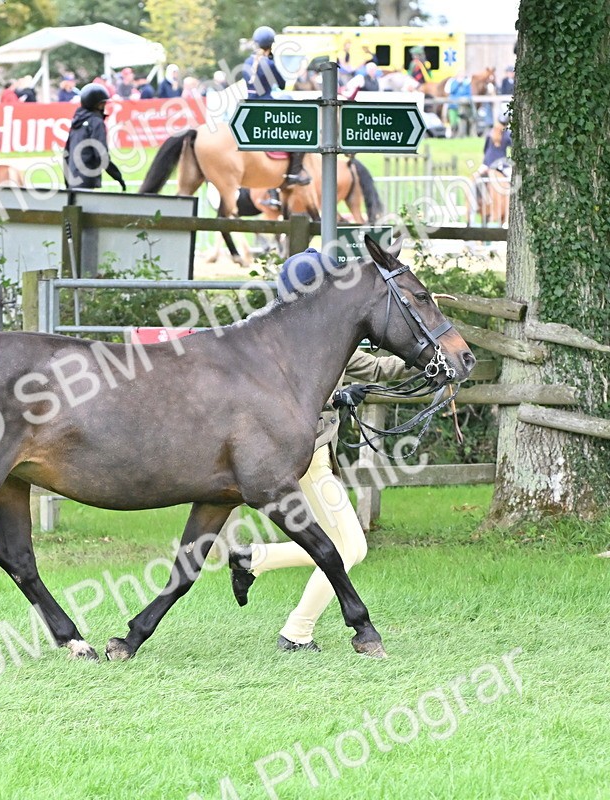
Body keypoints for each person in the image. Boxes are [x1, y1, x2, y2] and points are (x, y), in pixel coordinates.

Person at [226, 248, 412, 652]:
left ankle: (253, 559)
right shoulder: (286, 343)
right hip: (305, 459)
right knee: (349, 547)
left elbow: (376, 368)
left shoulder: (324, 336)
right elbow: (286, 400)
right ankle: (296, 632)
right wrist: (338, 394)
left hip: (317, 454)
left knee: (344, 546)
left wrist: (429, 357)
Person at [243, 26, 309, 187]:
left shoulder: (247, 62)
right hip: (266, 106)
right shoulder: (268, 63)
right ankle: (294, 172)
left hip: (249, 107)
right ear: (270, 45)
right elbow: (282, 83)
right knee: (297, 134)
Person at [63, 84, 126, 191]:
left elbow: (66, 153)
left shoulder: (77, 121)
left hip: (73, 180)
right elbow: (101, 155)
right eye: (103, 103)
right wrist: (118, 177)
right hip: (86, 179)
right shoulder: (96, 122)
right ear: (99, 105)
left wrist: (68, 181)